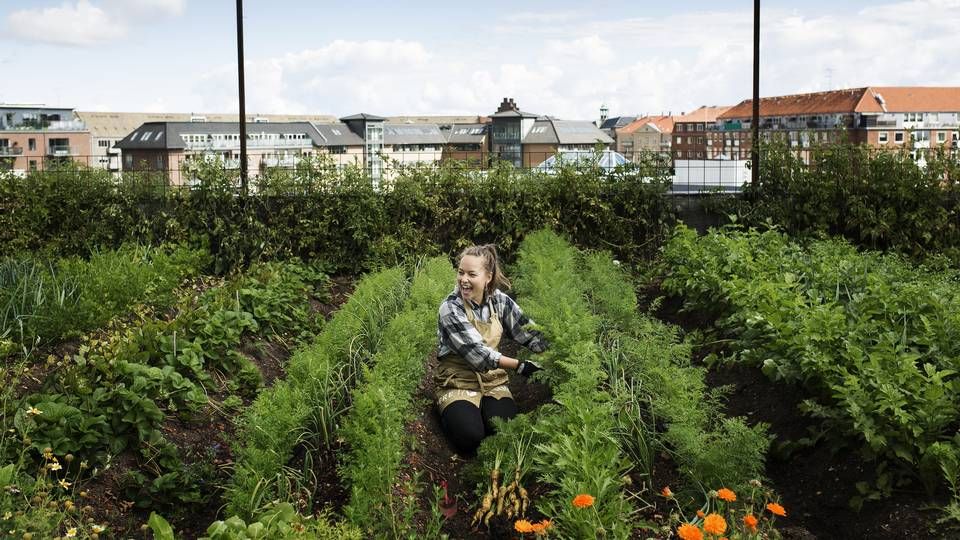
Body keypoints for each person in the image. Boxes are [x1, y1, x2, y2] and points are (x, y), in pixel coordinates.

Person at [435, 244, 548, 454]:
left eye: (471, 274)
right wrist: (521, 366)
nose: (463, 280)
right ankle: (450, 411)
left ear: (488, 276)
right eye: (460, 273)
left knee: (504, 433)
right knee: (470, 437)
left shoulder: (500, 301)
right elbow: (479, 353)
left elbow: (529, 332)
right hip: (458, 378)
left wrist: (556, 353)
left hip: (493, 379)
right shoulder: (450, 308)